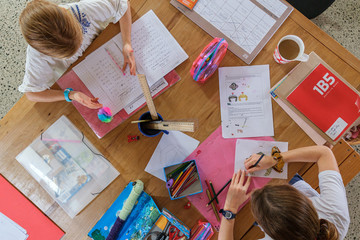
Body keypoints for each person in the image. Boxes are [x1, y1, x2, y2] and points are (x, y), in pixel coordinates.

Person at [18, 0, 136, 109]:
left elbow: (121, 3)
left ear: (67, 12)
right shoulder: (36, 55)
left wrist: (127, 43)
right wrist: (71, 94)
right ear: (43, 52)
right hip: (82, 76)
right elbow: (32, 93)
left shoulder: (83, 10)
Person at [219, 146, 350, 240]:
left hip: (250, 211)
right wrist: (276, 159)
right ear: (307, 202)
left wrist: (230, 208)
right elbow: (324, 153)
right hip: (291, 181)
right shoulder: (335, 213)